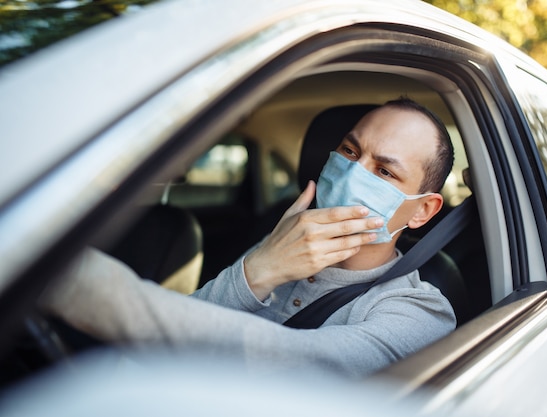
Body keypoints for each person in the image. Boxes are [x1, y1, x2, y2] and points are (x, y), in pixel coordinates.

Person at [41, 97, 456, 377]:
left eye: (384, 171)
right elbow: (165, 350)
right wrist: (260, 268)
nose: (353, 172)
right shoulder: (279, 245)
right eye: (349, 151)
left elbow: (298, 365)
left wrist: (77, 282)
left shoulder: (420, 312)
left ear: (422, 210)